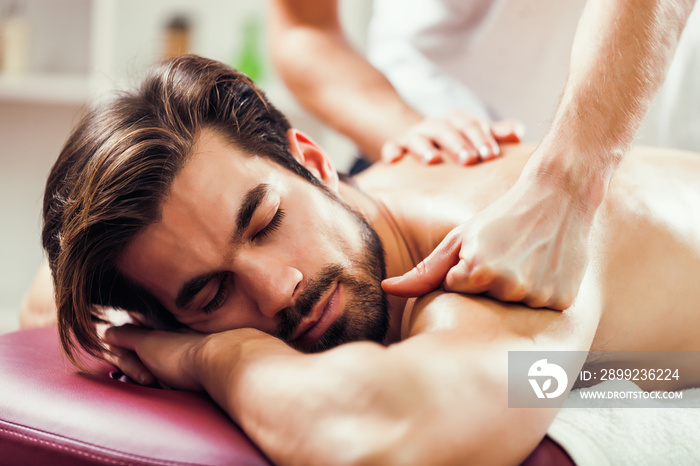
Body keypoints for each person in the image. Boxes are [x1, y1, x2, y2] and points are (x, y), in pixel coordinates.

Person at [41, 56, 700, 465]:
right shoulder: (366, 200)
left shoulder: (492, 256)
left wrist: (205, 354)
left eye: (266, 223)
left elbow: (384, 430)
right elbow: (40, 302)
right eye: (211, 296)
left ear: (317, 162)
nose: (276, 292)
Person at [269, 0, 697, 313]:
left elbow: (409, 421)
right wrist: (403, 127)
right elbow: (303, 26)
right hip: (411, 143)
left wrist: (566, 185)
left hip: (622, 141)